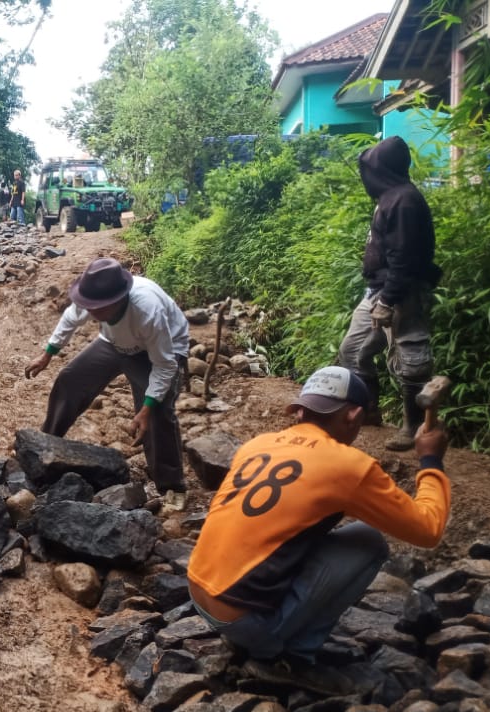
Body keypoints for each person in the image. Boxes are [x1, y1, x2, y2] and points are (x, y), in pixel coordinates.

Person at [187, 366, 450, 679]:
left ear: (301, 409)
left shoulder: (258, 443)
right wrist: (431, 460)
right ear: (353, 416)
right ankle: (290, 655)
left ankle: (263, 629)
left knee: (304, 530)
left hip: (198, 589)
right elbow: (428, 529)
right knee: (369, 541)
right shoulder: (349, 466)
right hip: (243, 621)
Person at [24, 258, 190, 506]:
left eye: (96, 308)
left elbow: (165, 365)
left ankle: (171, 486)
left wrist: (145, 408)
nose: (90, 312)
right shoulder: (94, 298)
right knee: (71, 380)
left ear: (117, 300)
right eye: (88, 305)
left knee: (157, 414)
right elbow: (71, 317)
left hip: (159, 351)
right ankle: (44, 446)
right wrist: (48, 354)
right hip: (114, 343)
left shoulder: (147, 311)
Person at [337, 135, 442, 451]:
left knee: (410, 361)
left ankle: (413, 426)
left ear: (381, 169)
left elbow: (404, 259)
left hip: (400, 294)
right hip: (377, 290)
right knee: (354, 351)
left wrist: (387, 301)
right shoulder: (390, 198)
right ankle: (369, 411)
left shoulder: (404, 201)